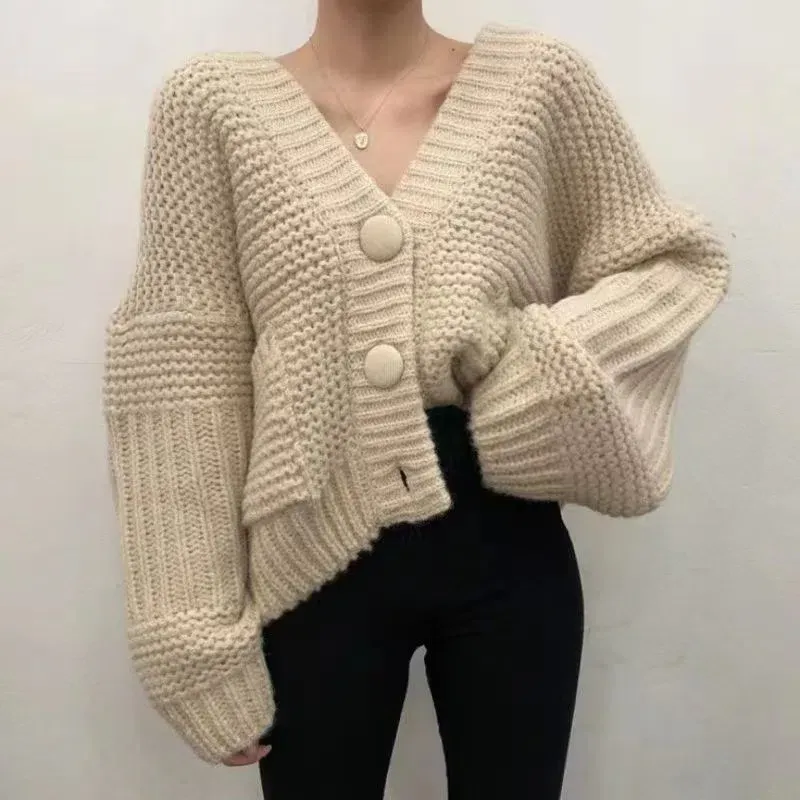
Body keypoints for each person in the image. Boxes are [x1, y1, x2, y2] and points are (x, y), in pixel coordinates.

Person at [102, 0, 730, 797]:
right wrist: (189, 627)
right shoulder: (212, 108)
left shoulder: (537, 86)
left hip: (506, 541)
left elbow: (668, 264)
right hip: (311, 560)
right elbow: (184, 363)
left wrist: (541, 379)